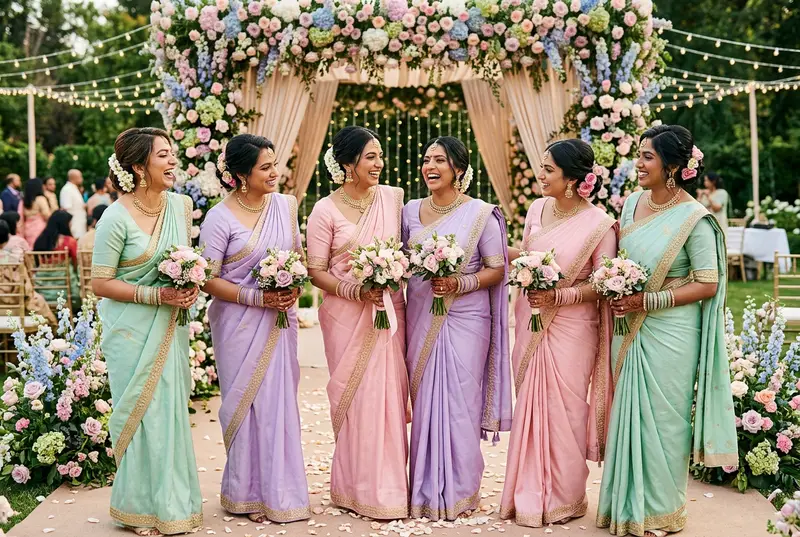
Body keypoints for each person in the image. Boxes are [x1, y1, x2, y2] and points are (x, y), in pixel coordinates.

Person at [596, 125, 737, 537]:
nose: (638, 164)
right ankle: (623, 506)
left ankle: (660, 509)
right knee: (630, 414)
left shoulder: (694, 218)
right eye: (638, 155)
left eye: (647, 157)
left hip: (670, 331)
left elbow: (707, 281)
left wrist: (648, 301)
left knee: (664, 419)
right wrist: (616, 285)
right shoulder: (631, 203)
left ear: (673, 166)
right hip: (630, 325)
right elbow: (622, 259)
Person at [499, 139, 617, 527]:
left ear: (571, 179)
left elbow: (604, 283)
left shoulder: (600, 225)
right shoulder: (537, 209)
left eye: (549, 169)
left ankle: (564, 497)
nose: (541, 174)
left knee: (565, 410)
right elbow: (528, 252)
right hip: (532, 318)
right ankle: (527, 495)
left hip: (573, 327)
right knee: (532, 403)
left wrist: (560, 294)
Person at [91, 127, 202, 536]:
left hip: (170, 329)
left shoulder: (181, 206)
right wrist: (157, 297)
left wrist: (188, 284)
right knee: (143, 416)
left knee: (169, 413)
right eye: (163, 156)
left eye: (172, 155)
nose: (173, 162)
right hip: (131, 333)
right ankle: (138, 508)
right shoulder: (115, 217)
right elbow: (100, 283)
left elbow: (185, 260)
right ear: (138, 167)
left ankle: (172, 505)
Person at [200, 134, 311, 523]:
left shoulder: (285, 206)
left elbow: (298, 257)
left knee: (278, 404)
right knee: (247, 405)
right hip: (238, 324)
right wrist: (256, 298)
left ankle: (280, 493)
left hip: (280, 321)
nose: (274, 173)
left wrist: (294, 283)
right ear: (241, 175)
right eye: (265, 167)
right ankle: (245, 494)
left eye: (274, 164)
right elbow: (207, 279)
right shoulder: (219, 218)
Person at [402, 137, 511, 520]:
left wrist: (458, 284)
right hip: (421, 315)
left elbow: (497, 269)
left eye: (440, 161)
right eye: (426, 159)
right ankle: (425, 493)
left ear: (459, 170)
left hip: (467, 319)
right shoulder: (409, 211)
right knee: (427, 402)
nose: (430, 166)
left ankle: (462, 492)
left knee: (461, 403)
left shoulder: (481, 213)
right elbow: (400, 262)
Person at [306, 126, 409, 519]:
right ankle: (353, 489)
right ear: (348, 164)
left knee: (387, 398)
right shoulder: (325, 210)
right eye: (371, 157)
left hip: (386, 313)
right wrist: (356, 291)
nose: (379, 163)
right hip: (345, 314)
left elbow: (406, 253)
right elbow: (315, 271)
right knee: (355, 397)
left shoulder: (393, 199)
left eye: (380, 156)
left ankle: (389, 488)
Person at [0, 220, 56, 324]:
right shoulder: (16, 261)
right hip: (15, 309)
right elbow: (26, 290)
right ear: (7, 237)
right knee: (39, 304)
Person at [22, 178, 53, 248]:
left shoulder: (24, 201)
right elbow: (47, 215)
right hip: (40, 228)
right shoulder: (40, 199)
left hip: (27, 229)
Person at [59, 168, 87, 238]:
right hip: (74, 226)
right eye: (80, 177)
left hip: (79, 224)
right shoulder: (67, 189)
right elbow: (66, 209)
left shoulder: (73, 188)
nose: (82, 179)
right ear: (74, 178)